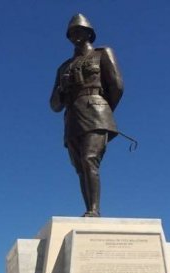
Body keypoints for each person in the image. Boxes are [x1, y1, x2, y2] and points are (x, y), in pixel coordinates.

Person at [50, 13, 124, 217]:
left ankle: (94, 210)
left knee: (89, 158)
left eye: (80, 31)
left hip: (97, 112)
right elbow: (54, 105)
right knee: (80, 167)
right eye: (72, 32)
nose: (76, 35)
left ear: (90, 33)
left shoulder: (102, 53)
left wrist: (104, 110)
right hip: (73, 117)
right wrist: (61, 90)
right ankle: (89, 208)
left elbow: (116, 86)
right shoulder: (64, 67)